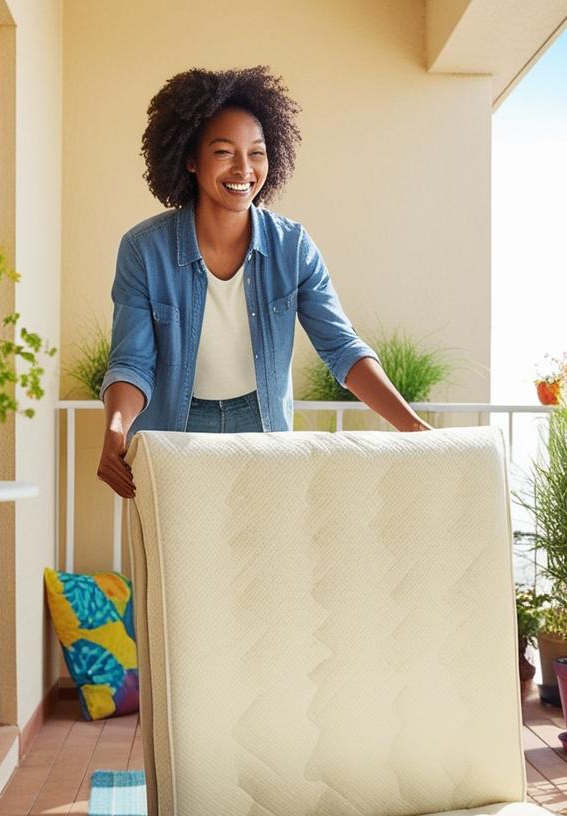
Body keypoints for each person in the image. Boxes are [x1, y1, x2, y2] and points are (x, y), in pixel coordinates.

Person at [98, 65, 433, 499]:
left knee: (263, 563)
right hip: (175, 429)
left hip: (261, 424)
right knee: (179, 563)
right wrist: (115, 426)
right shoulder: (145, 250)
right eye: (223, 152)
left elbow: (342, 348)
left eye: (256, 152)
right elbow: (133, 362)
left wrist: (411, 426)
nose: (244, 168)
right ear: (190, 159)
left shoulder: (293, 247)